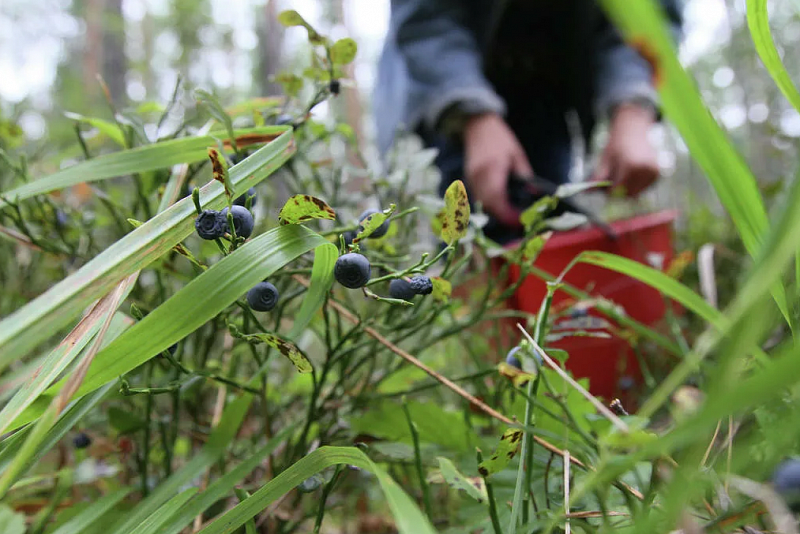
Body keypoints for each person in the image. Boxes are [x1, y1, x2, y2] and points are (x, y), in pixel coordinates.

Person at [373, 0, 684, 244]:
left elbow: (649, 15)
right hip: (448, 86)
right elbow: (427, 19)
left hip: (549, 93)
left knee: (546, 225)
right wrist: (472, 115)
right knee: (472, 235)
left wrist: (633, 107)